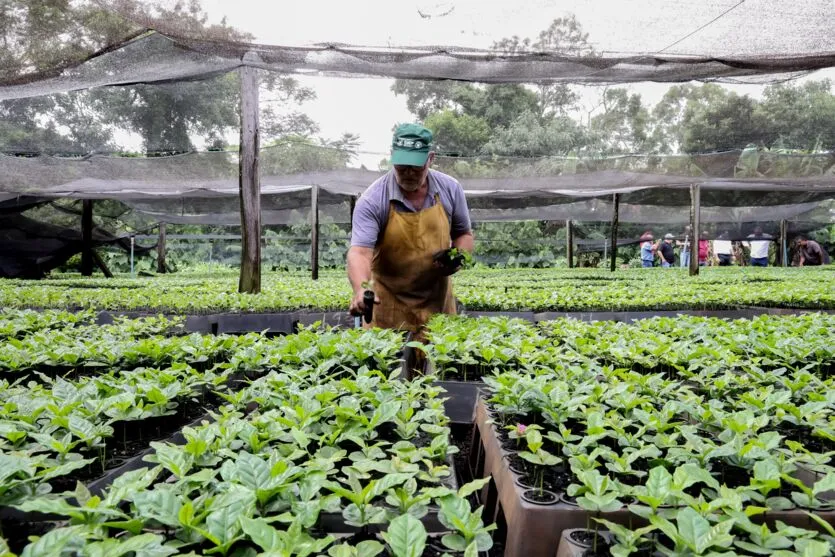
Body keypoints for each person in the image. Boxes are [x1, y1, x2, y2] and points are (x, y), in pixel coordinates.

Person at [347, 123, 474, 333]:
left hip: (438, 308)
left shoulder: (450, 189)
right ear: (392, 157)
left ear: (430, 159)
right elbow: (360, 252)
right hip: (388, 311)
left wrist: (458, 256)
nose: (408, 173)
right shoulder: (372, 200)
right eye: (401, 166)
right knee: (391, 364)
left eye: (416, 167)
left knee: (439, 364)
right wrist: (361, 288)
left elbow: (463, 234)